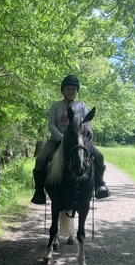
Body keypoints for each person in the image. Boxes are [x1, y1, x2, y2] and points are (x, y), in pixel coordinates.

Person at [31, 74, 110, 204]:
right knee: (40, 159)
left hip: (79, 141)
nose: (70, 91)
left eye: (73, 89)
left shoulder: (82, 106)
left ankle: (99, 185)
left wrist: (86, 138)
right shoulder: (56, 106)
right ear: (63, 90)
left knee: (99, 156)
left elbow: (86, 124)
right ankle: (39, 190)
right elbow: (51, 124)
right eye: (68, 88)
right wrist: (61, 137)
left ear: (76, 91)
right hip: (57, 140)